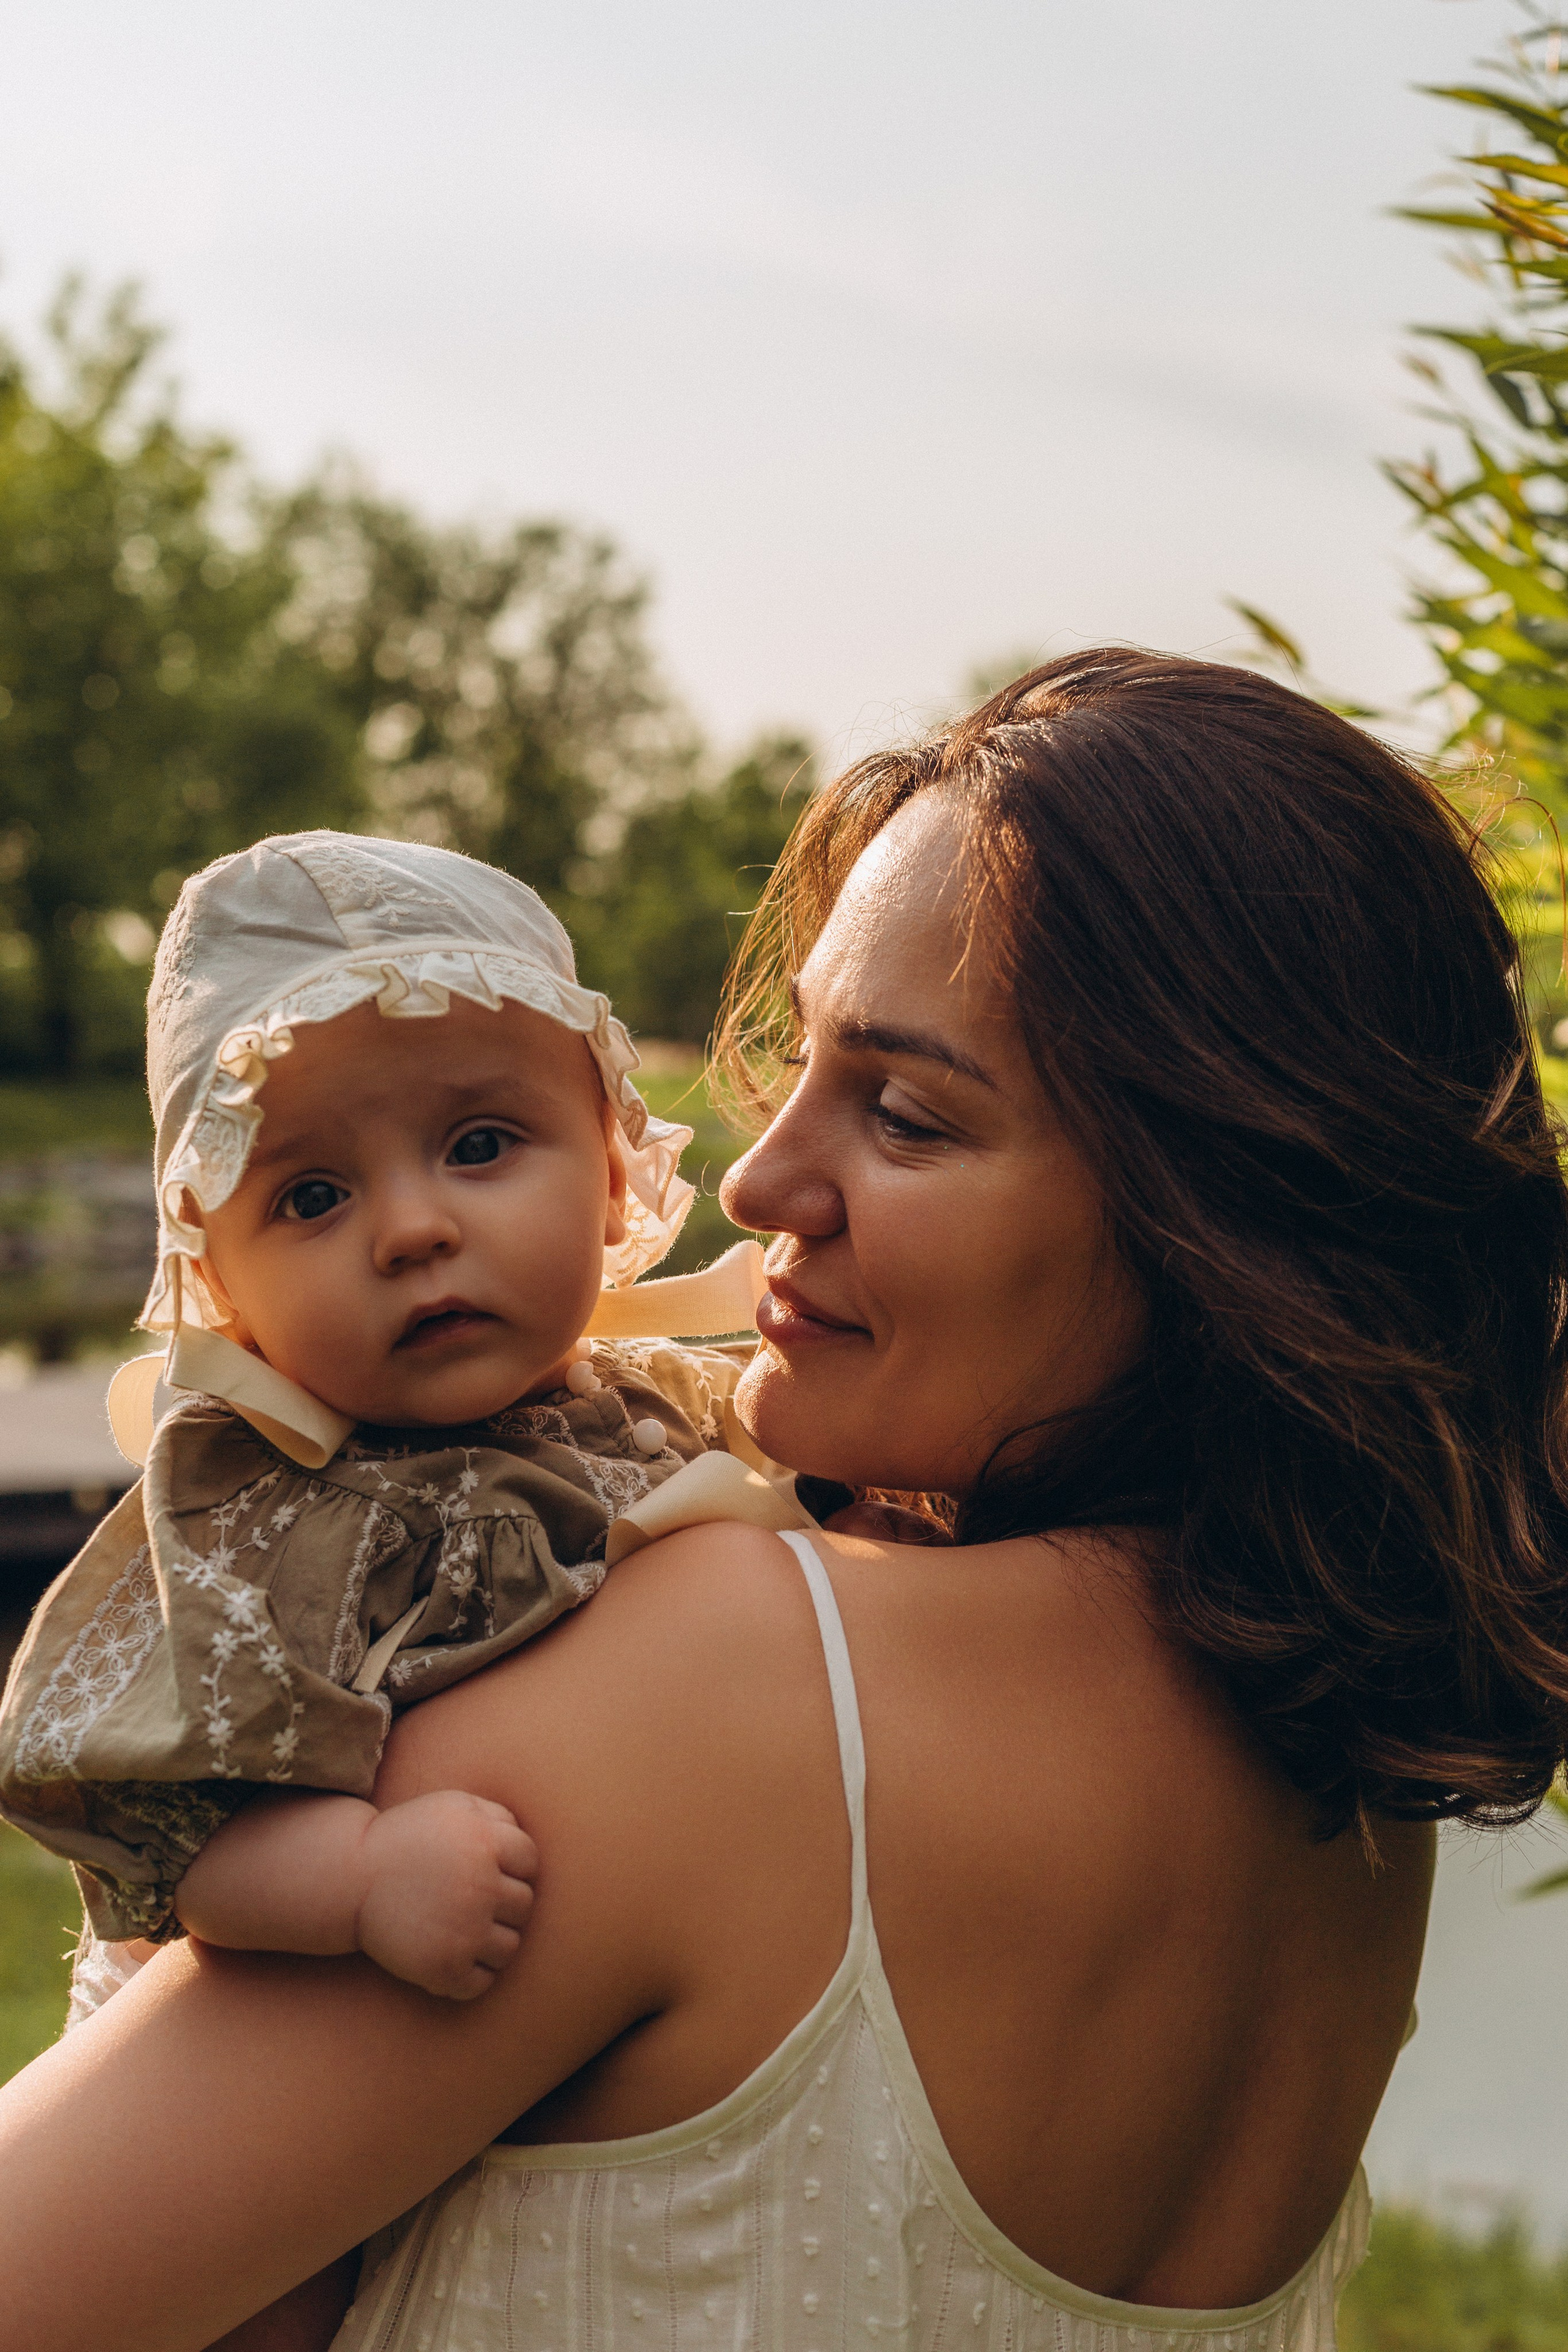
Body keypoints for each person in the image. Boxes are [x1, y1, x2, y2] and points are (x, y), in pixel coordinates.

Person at [2, 649, 1566, 2352]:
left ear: (1219, 1217)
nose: (753, 1180)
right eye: (805, 1065)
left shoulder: (737, 1684)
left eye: (903, 1114)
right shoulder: (1352, 1788)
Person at [0, 829, 785, 2004]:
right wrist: (361, 1879)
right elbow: (172, 1832)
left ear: (614, 1170)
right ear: (222, 1283)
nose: (413, 1228)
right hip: (309, 2080)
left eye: (480, 1146)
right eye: (312, 1196)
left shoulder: (664, 1400)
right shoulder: (268, 1511)